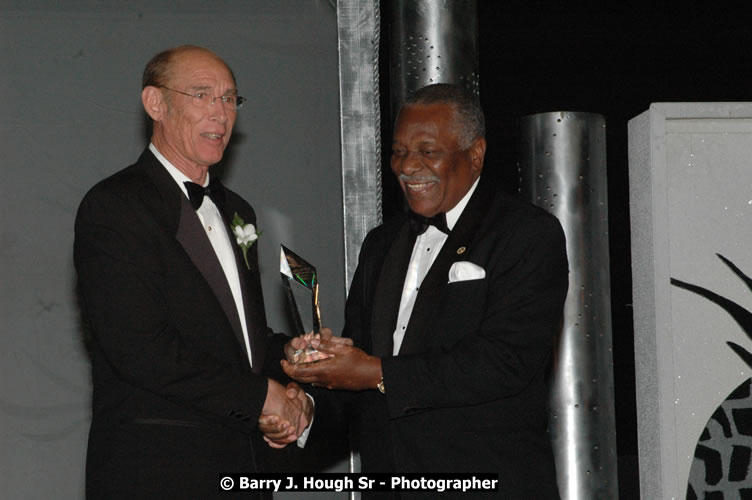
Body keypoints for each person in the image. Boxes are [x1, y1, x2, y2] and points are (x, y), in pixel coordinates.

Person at [283, 83, 569, 498]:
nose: (408, 166)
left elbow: (503, 362)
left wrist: (374, 372)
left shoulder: (526, 233)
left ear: (475, 154)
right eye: (399, 151)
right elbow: (361, 370)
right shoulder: (381, 243)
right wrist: (310, 398)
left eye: (428, 151)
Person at [74, 45, 311, 500]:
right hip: (158, 473)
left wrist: (292, 362)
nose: (220, 114)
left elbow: (232, 341)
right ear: (156, 104)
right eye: (202, 95)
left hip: (243, 471)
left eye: (229, 99)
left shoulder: (236, 210)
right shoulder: (115, 206)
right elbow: (139, 348)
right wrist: (260, 396)